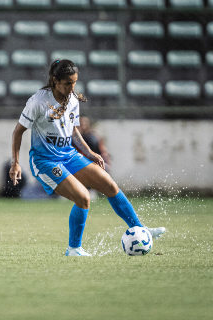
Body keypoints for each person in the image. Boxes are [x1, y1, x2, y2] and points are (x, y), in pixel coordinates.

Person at [9, 59, 165, 257]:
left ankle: (140, 228)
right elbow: (18, 131)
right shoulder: (38, 102)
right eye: (68, 83)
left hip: (69, 155)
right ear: (55, 81)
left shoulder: (72, 99)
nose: (72, 87)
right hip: (45, 161)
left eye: (75, 82)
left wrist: (90, 153)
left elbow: (73, 131)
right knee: (83, 197)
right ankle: (73, 249)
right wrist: (15, 163)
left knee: (109, 185)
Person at [78, 116, 111, 199]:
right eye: (81, 123)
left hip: (96, 163)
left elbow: (101, 152)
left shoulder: (91, 137)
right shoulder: (76, 137)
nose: (83, 125)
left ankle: (90, 190)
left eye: (85, 123)